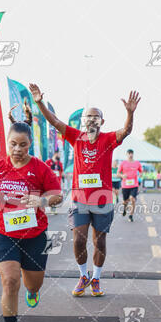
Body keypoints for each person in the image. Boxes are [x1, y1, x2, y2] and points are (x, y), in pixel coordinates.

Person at [29, 82, 140, 298]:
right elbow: (53, 121)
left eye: (95, 116)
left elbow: (126, 130)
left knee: (100, 241)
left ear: (101, 121)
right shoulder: (75, 137)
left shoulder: (108, 139)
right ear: (83, 121)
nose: (91, 119)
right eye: (88, 116)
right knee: (79, 240)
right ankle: (83, 276)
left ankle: (96, 278)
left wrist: (129, 113)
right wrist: (39, 102)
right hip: (80, 199)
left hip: (103, 199)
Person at [0, 118, 63, 322]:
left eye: (23, 145)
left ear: (30, 145)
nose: (17, 149)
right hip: (3, 231)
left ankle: (33, 291)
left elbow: (58, 194)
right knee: (10, 281)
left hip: (34, 234)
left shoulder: (40, 168)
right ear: (7, 143)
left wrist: (43, 200)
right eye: (13, 144)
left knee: (33, 283)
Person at [118, 150, 143, 222]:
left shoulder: (137, 163)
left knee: (133, 199)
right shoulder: (123, 163)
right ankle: (125, 208)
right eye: (129, 154)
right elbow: (118, 173)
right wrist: (122, 175)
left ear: (133, 154)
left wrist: (140, 175)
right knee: (125, 201)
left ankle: (131, 215)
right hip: (125, 186)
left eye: (131, 154)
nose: (130, 155)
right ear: (126, 154)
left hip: (134, 185)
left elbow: (141, 171)